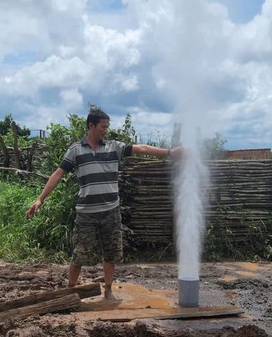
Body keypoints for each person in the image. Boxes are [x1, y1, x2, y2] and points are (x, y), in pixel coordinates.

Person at [25, 108, 181, 300]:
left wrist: (169, 152)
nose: (106, 130)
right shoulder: (76, 150)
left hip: (110, 212)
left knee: (112, 253)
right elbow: (58, 174)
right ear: (91, 126)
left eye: (107, 126)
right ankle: (70, 290)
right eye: (103, 126)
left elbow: (141, 148)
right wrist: (40, 199)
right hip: (86, 214)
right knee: (79, 255)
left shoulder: (114, 147)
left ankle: (108, 291)